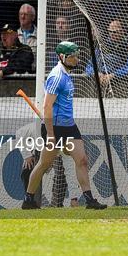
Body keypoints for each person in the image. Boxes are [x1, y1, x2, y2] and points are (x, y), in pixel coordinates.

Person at [22, 41, 107, 210]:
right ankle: (28, 199)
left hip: (70, 126)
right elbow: (47, 106)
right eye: (72, 56)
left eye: (77, 55)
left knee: (82, 160)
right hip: (56, 128)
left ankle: (89, 200)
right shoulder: (56, 77)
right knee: (44, 165)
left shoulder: (66, 74)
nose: (76, 59)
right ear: (62, 57)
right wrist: (52, 134)